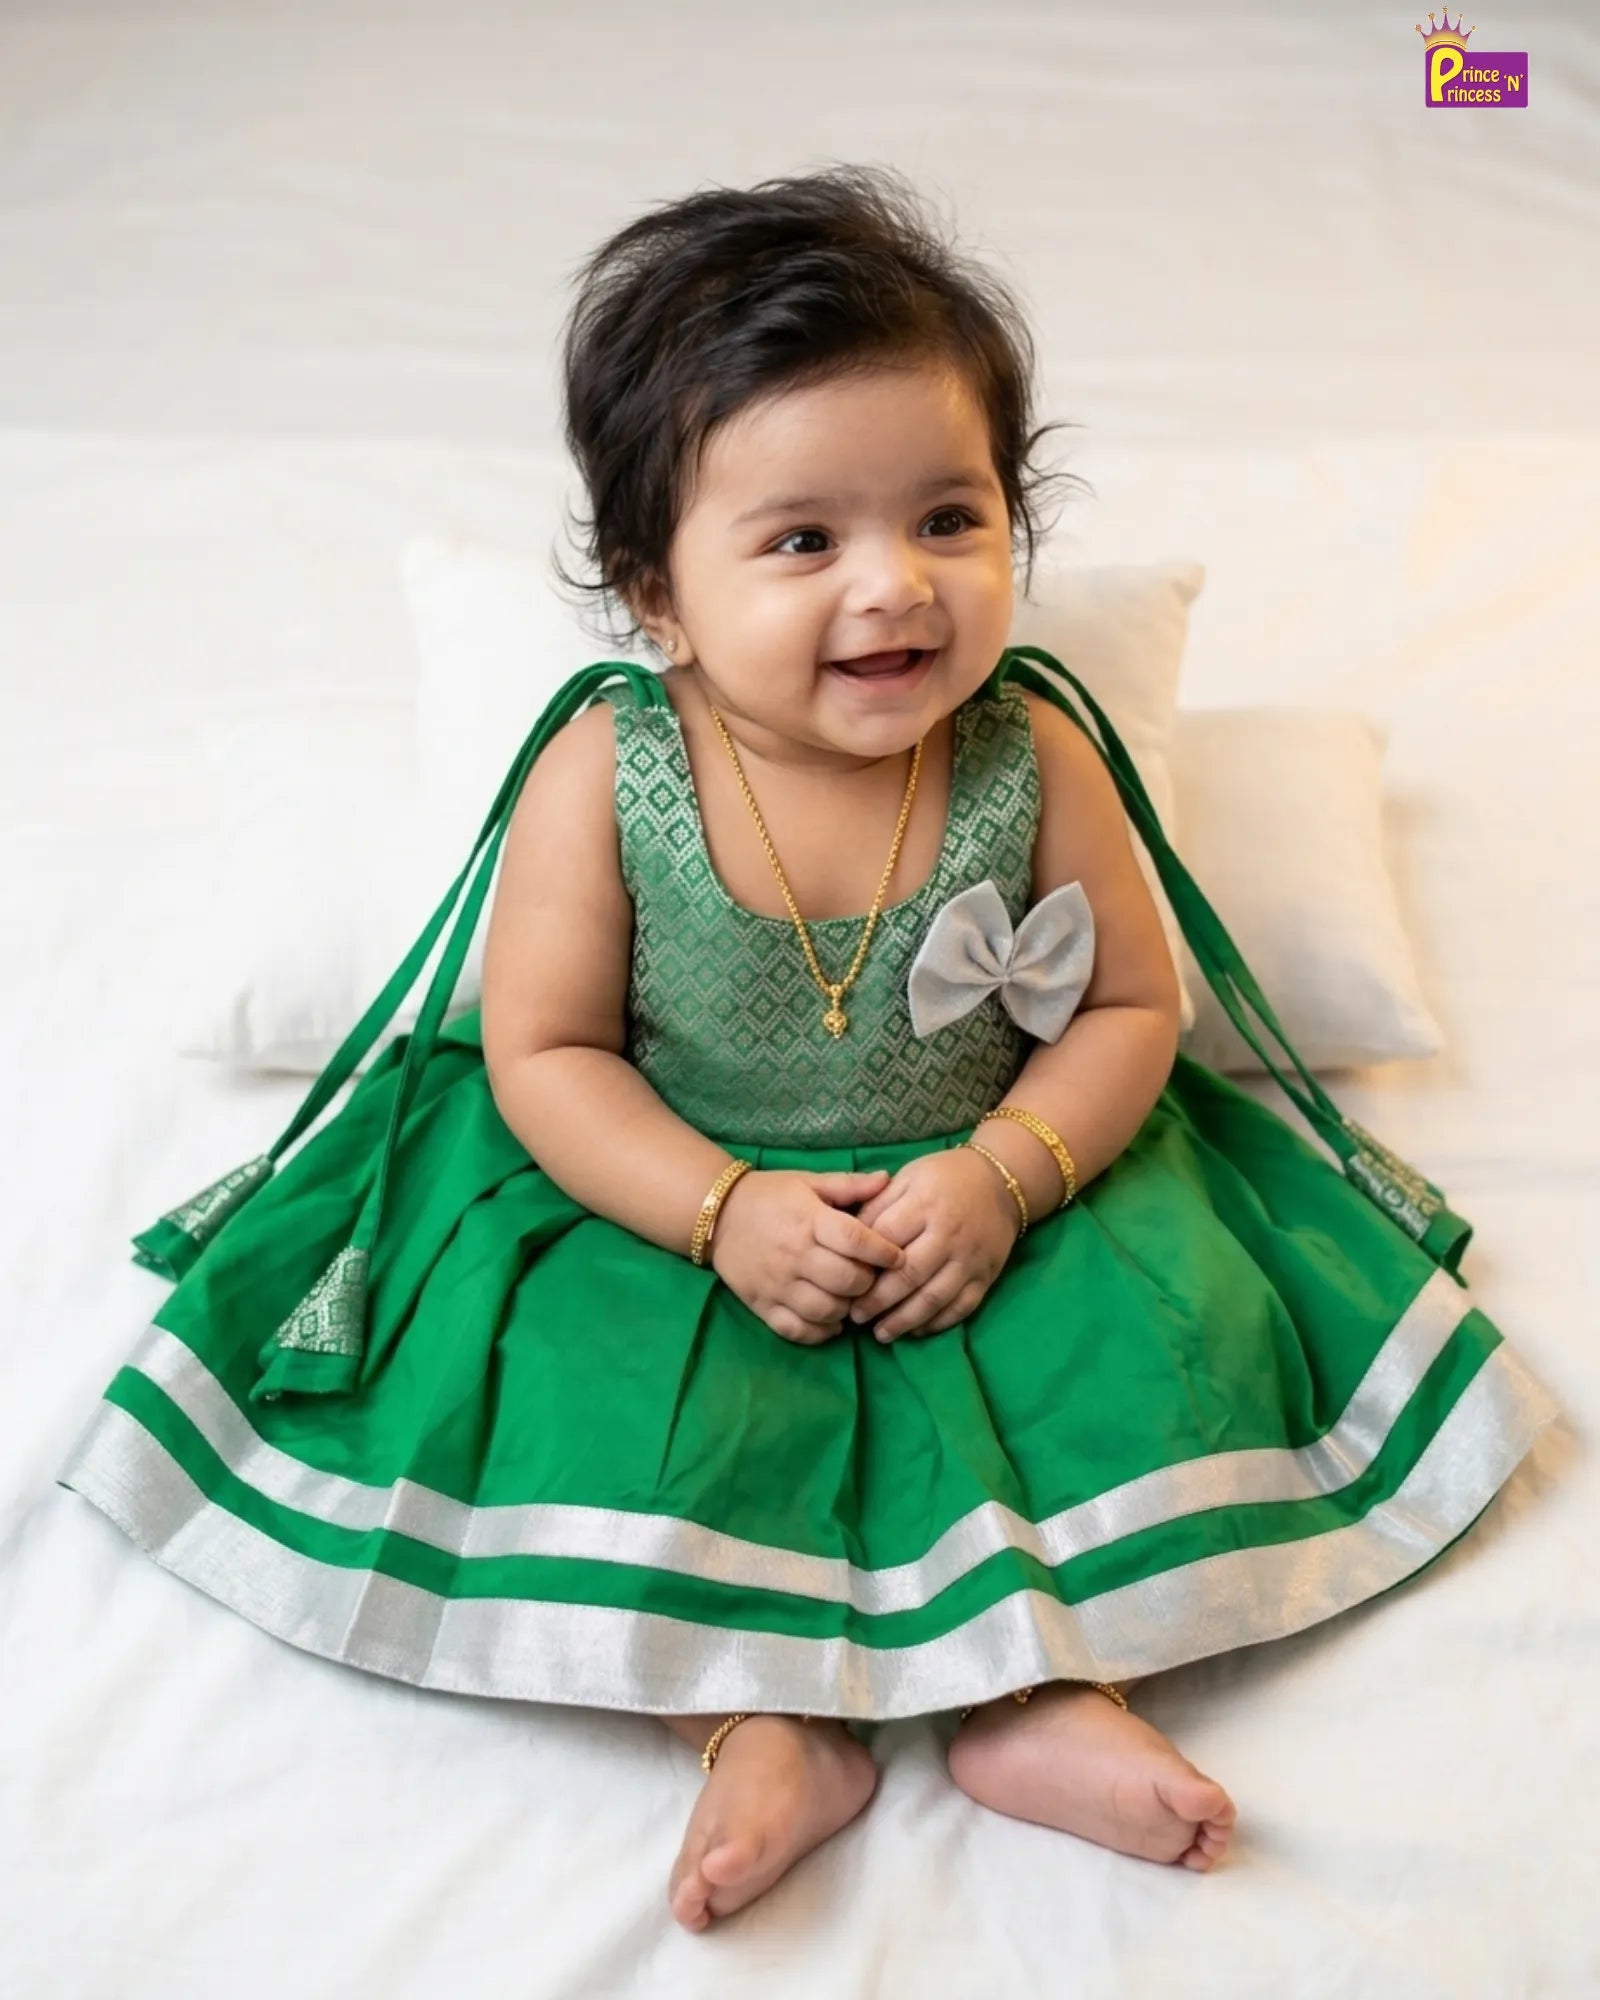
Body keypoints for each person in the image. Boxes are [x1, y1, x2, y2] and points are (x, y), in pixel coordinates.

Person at [56, 164, 1560, 1937]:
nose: (894, 590)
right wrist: (715, 1210)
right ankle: (760, 1722)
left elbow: (1135, 1011)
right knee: (617, 1421)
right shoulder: (604, 781)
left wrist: (1008, 1172)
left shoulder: (1033, 758)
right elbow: (543, 1055)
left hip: (1001, 1187)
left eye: (948, 518)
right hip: (662, 1194)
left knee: (1132, 1359)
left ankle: (1026, 1699)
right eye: (803, 541)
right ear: (657, 597)